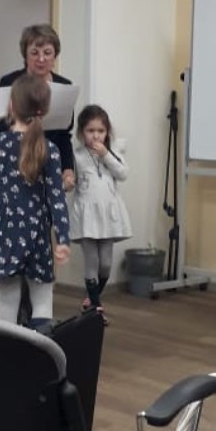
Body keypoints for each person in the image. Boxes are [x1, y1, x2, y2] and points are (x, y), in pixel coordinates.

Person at [0, 74, 71, 325]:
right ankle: (40, 348)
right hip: (37, 232)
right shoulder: (49, 149)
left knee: (7, 300)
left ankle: (5, 350)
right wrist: (63, 239)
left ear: (11, 106)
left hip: (2, 231)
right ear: (44, 110)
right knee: (42, 299)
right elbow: (56, 199)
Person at [68, 105, 132, 324]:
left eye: (101, 131)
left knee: (105, 264)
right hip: (86, 215)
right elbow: (70, 180)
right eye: (90, 131)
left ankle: (92, 298)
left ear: (107, 132)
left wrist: (106, 155)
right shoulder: (76, 155)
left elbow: (123, 174)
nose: (96, 136)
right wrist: (67, 182)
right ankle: (96, 309)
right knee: (92, 262)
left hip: (108, 216)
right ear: (81, 132)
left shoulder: (111, 152)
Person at [0, 24, 75, 191]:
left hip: (50, 163)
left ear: (55, 55)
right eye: (34, 53)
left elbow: (64, 134)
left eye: (47, 53)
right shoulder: (9, 83)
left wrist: (68, 169)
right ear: (25, 54)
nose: (41, 59)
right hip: (14, 162)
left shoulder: (65, 86)